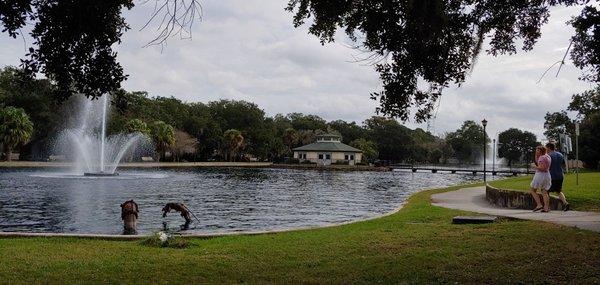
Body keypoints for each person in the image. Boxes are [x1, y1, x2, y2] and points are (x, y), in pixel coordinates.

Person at [546, 142, 570, 211]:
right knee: (558, 191)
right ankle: (565, 203)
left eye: (546, 147)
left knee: (546, 191)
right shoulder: (560, 155)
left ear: (549, 148)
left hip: (551, 176)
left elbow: (546, 166)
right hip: (560, 175)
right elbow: (563, 165)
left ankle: (547, 207)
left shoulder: (548, 156)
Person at [530, 145, 552, 212]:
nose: (536, 151)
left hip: (540, 175)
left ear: (541, 151)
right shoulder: (547, 156)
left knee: (533, 190)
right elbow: (538, 162)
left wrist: (534, 166)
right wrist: (536, 155)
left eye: (538, 150)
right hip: (547, 175)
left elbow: (542, 168)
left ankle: (539, 205)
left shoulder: (542, 158)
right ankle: (546, 208)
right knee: (544, 192)